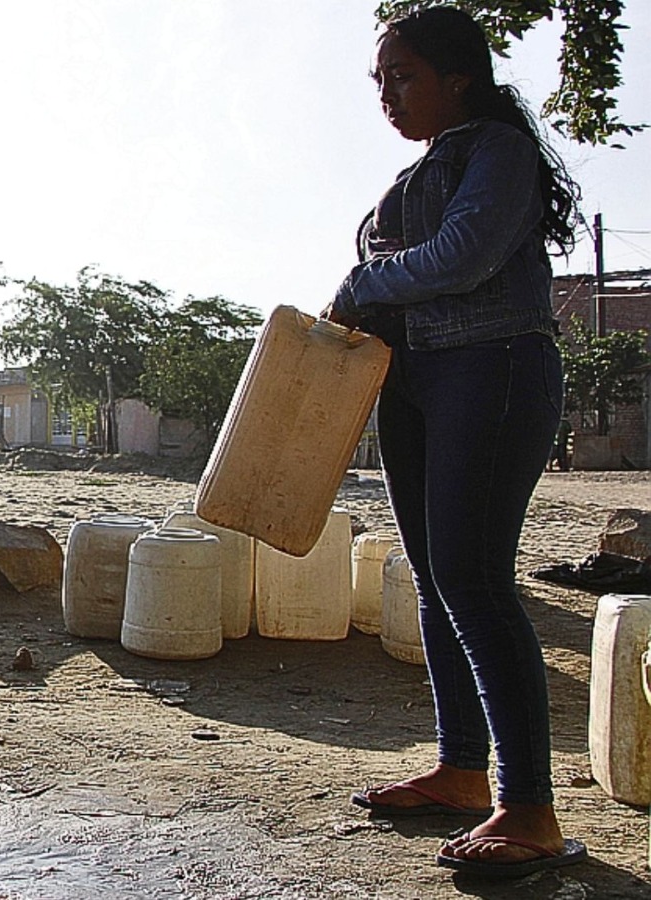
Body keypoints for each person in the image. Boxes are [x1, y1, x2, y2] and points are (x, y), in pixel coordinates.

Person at [327, 7, 587, 879]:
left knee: (474, 578)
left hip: (493, 369)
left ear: (458, 79)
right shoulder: (419, 171)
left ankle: (531, 809)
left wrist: (362, 279)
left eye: (402, 77)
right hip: (419, 385)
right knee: (438, 581)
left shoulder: (494, 154)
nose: (388, 96)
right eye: (380, 82)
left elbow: (465, 256)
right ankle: (462, 770)